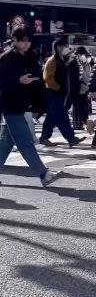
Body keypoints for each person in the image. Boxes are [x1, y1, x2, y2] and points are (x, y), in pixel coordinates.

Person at [0, 28, 63, 187]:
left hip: (21, 105)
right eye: (22, 40)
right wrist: (19, 81)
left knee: (7, 143)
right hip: (10, 105)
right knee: (24, 141)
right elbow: (3, 83)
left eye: (28, 40)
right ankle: (44, 174)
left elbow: (38, 76)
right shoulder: (7, 58)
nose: (25, 44)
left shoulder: (29, 56)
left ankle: (44, 174)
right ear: (14, 39)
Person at [41, 38, 84, 146]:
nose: (63, 48)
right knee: (62, 116)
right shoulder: (52, 61)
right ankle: (71, 138)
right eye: (61, 46)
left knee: (52, 116)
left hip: (60, 93)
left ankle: (44, 137)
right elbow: (47, 78)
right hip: (53, 93)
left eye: (64, 46)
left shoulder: (63, 60)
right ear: (55, 47)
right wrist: (58, 88)